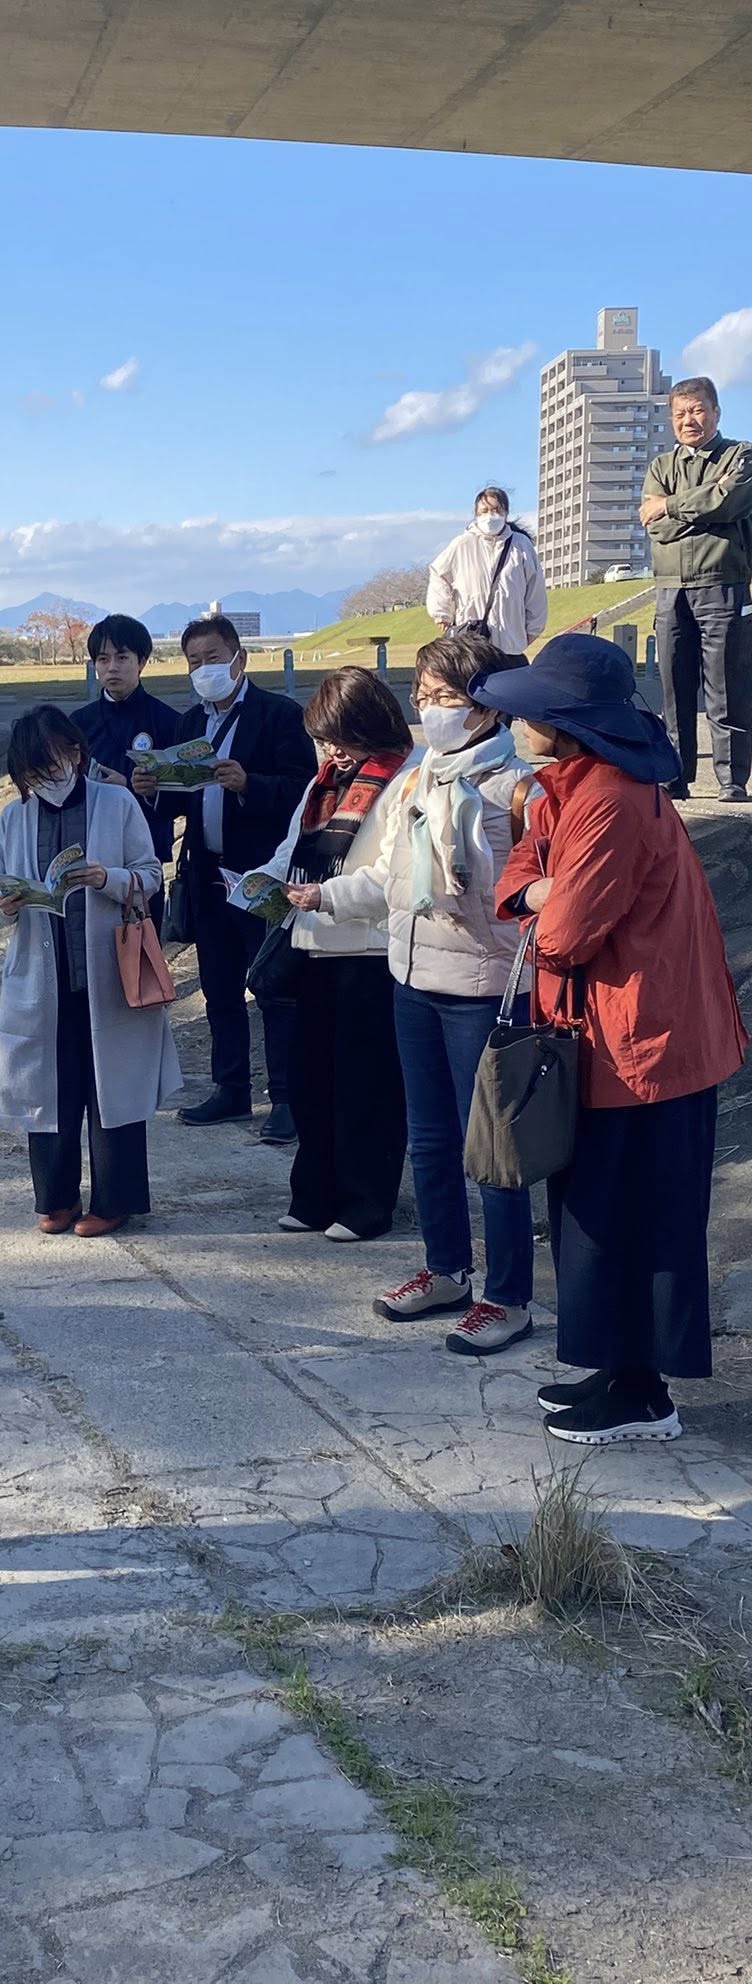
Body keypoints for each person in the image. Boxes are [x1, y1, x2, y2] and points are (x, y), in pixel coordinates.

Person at [482, 634, 747, 1444]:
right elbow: (518, 878)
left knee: (638, 1217)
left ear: (565, 721)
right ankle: (612, 1368)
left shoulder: (610, 800)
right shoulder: (572, 787)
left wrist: (539, 894)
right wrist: (539, 888)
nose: (515, 721)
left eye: (529, 709)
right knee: (596, 1212)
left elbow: (565, 936)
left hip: (643, 1046)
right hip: (609, 1039)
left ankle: (644, 1394)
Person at [290, 633, 537, 1356]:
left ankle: (509, 1296)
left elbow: (522, 894)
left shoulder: (516, 787)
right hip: (412, 981)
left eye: (446, 697)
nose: (431, 711)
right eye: (423, 696)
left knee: (491, 1148)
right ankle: (447, 1268)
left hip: (481, 989)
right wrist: (324, 896)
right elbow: (388, 880)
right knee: (428, 1141)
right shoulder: (416, 781)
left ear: (486, 705)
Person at [0, 706, 181, 1237]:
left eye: (54, 763)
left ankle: (114, 1200)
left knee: (112, 1088)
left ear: (75, 752)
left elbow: (150, 875)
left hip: (108, 973)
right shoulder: (14, 817)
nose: (47, 777)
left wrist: (106, 878)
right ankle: (56, 1197)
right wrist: (5, 904)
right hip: (42, 975)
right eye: (35, 771)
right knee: (49, 1087)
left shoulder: (116, 803)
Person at [245, 669, 417, 1244]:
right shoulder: (323, 783)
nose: (332, 753)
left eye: (341, 739)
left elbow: (395, 874)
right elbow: (291, 849)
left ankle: (367, 1201)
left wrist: (327, 895)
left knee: (367, 1086)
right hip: (313, 945)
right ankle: (313, 1194)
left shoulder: (405, 778)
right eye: (323, 741)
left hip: (371, 950)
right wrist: (263, 882)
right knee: (311, 1080)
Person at [134, 612, 315, 1140]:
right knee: (219, 988)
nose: (203, 670)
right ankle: (231, 1088)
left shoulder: (279, 715)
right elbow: (183, 800)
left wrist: (249, 784)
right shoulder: (191, 722)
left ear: (239, 658)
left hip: (261, 873)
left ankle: (286, 1098)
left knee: (274, 989)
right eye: (193, 662)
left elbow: (305, 791)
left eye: (211, 658)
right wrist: (155, 790)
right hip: (207, 875)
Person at [640, 375, 752, 804]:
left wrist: (669, 505)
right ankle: (675, 775)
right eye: (681, 413)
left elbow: (731, 500)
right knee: (674, 688)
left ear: (716, 412)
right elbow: (655, 528)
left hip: (723, 584)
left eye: (698, 410)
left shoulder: (740, 455)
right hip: (671, 589)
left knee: (727, 687)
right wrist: (707, 510)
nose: (689, 420)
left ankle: (732, 779)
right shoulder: (660, 467)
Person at [71, 612, 183, 931]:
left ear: (142, 661)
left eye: (122, 657)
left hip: (143, 855)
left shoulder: (169, 722)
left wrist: (133, 791)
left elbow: (183, 797)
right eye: (103, 659)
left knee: (142, 945)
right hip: (89, 853)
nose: (112, 667)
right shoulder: (78, 724)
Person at [426, 487, 547, 656]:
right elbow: (438, 573)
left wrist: (533, 629)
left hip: (510, 644)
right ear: (476, 514)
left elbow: (535, 589)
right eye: (484, 511)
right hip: (471, 645)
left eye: (496, 510)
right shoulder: (462, 544)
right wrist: (441, 613)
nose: (490, 515)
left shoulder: (521, 545)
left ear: (506, 512)